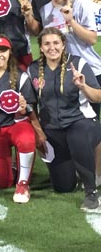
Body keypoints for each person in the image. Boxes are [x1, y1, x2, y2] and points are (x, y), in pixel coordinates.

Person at [27, 27, 101, 210]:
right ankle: (75, 170)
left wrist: (83, 86)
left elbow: (97, 97)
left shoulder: (78, 63)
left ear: (63, 45)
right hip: (52, 129)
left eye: (56, 43)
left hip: (80, 122)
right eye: (47, 44)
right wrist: (38, 132)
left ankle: (91, 192)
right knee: (63, 187)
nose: (52, 47)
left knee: (77, 136)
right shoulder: (33, 69)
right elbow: (31, 105)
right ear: (41, 48)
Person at [0, 35, 37, 203]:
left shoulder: (21, 75)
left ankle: (23, 183)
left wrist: (24, 107)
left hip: (15, 124)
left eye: (3, 50)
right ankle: (11, 168)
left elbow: (31, 107)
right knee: (2, 183)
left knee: (26, 139)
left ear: (9, 52)